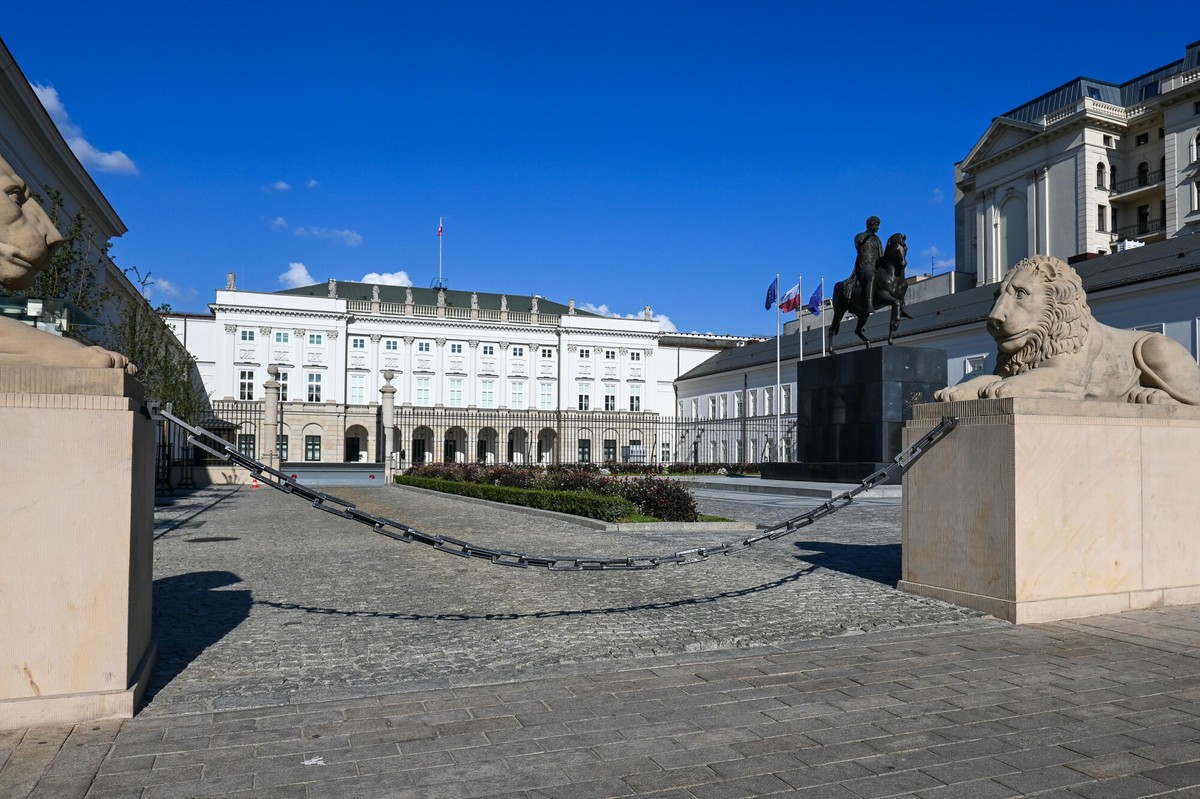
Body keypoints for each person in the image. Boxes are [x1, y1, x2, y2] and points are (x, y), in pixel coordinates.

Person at [844, 216, 883, 313]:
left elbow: (881, 253)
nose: (878, 228)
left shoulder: (877, 239)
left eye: (878, 225)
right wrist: (864, 240)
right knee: (871, 277)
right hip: (865, 266)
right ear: (870, 225)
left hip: (877, 265)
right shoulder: (860, 236)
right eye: (876, 225)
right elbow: (858, 245)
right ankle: (869, 305)